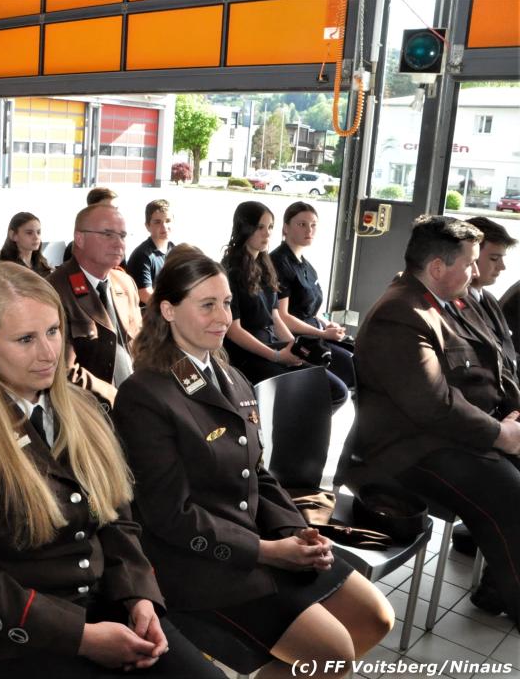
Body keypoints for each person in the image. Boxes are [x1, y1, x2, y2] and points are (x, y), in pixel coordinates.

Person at [0, 262, 223, 679]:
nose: (48, 353)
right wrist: (83, 638)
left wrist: (139, 597)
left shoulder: (83, 410)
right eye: (25, 339)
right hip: (14, 639)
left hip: (102, 608)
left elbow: (118, 521)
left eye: (53, 331)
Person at [113, 248, 393, 678]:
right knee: (332, 653)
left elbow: (257, 472)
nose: (223, 317)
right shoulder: (146, 394)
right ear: (168, 310)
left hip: (261, 537)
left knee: (375, 617)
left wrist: (295, 530)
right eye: (207, 305)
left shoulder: (229, 376)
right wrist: (268, 551)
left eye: (226, 303)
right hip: (200, 563)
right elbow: (170, 515)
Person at [350, 215, 520, 623]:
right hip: (409, 450)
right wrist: (501, 434)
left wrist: (509, 418)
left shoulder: (450, 300)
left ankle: (499, 587)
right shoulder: (401, 313)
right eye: (470, 263)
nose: (476, 272)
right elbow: (433, 404)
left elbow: (493, 367)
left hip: (451, 434)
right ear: (438, 267)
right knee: (511, 495)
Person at [221, 201, 348, 410]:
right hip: (247, 354)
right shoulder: (230, 271)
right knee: (314, 395)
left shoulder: (265, 265)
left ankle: (300, 428)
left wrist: (295, 347)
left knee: (336, 390)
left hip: (273, 344)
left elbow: (276, 316)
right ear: (245, 228)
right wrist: (277, 356)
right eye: (260, 227)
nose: (267, 233)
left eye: (270, 227)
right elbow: (234, 330)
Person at [48, 204, 141, 408]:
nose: (119, 243)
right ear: (79, 238)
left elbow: (142, 347)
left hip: (137, 403)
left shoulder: (125, 284)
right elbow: (60, 368)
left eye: (122, 235)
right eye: (108, 234)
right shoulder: (54, 290)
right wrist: (113, 395)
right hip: (88, 410)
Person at [270, 202, 355, 391]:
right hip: (299, 338)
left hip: (315, 332)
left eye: (313, 225)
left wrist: (328, 324)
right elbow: (283, 316)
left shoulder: (306, 266)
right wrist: (322, 334)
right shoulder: (279, 263)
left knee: (355, 357)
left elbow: (311, 310)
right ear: (286, 228)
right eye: (302, 224)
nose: (309, 230)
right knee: (349, 368)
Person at [463, 216, 518, 375]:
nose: (502, 266)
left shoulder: (488, 299)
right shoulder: (452, 303)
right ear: (471, 256)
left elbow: (508, 357)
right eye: (494, 258)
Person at [127, 199, 175, 305]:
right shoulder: (142, 256)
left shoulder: (175, 250)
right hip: (149, 312)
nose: (164, 227)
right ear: (147, 226)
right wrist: (174, 309)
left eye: (168, 221)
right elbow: (145, 294)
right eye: (157, 222)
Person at [63, 187, 117, 264]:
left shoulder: (117, 246)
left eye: (115, 209)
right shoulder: (76, 249)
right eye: (106, 209)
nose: (113, 214)